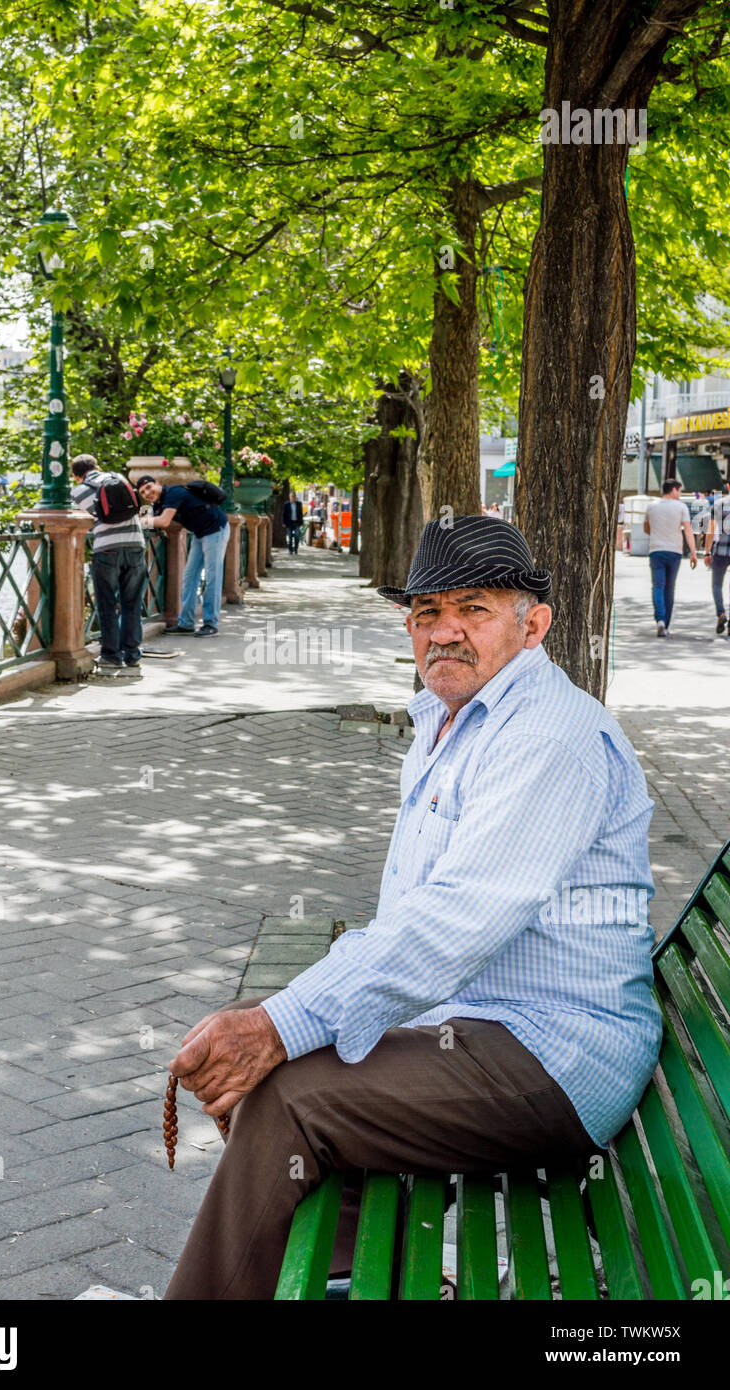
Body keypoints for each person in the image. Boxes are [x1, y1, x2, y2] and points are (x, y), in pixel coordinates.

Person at [163, 514, 662, 1301]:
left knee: (293, 1092)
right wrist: (284, 1019)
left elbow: (455, 925)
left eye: (475, 609)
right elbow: (414, 917)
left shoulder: (547, 737)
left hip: (557, 1059)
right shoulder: (449, 720)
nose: (446, 631)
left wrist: (284, 1025)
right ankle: (346, 1281)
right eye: (428, 612)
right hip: (487, 1024)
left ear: (532, 625)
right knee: (282, 1046)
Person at [71, 454, 147, 674]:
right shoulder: (119, 477)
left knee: (106, 604)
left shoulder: (78, 491)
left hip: (107, 548)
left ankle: (111, 656)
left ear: (77, 476)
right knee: (132, 602)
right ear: (97, 466)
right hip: (135, 544)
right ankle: (132, 654)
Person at [137, 475, 229, 637]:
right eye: (143, 492)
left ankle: (210, 624)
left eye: (149, 487)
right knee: (189, 576)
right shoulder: (159, 503)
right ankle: (186, 623)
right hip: (200, 534)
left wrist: (139, 522)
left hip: (215, 528)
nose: (147, 493)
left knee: (212, 577)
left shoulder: (174, 492)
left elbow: (164, 521)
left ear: (158, 483)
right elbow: (156, 521)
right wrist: (147, 520)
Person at [644, 478, 697, 636]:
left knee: (657, 586)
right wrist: (693, 552)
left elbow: (646, 528)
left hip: (656, 550)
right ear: (673, 490)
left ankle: (659, 619)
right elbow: (687, 530)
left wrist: (658, 534)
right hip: (675, 552)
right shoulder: (681, 507)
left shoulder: (651, 506)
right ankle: (665, 625)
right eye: (679, 491)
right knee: (669, 588)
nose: (680, 494)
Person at [704, 489, 730, 635]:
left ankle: (721, 613)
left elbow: (711, 529)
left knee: (716, 584)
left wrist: (707, 551)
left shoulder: (719, 504)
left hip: (720, 550)